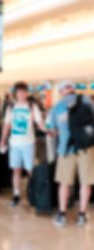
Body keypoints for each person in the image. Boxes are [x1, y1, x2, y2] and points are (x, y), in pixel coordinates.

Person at [48, 80, 94, 227]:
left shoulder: (57, 107)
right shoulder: (86, 100)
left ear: (61, 92)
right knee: (86, 182)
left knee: (64, 182)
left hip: (66, 149)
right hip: (87, 147)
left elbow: (52, 130)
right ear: (73, 89)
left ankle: (62, 215)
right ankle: (81, 215)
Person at [0, 82, 45, 206]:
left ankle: (32, 192)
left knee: (30, 170)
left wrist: (48, 130)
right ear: (16, 93)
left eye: (23, 92)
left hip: (29, 143)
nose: (21, 94)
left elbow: (40, 123)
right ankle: (16, 194)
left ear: (26, 93)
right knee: (16, 170)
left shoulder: (32, 106)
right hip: (14, 144)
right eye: (19, 92)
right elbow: (7, 125)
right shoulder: (11, 107)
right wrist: (2, 140)